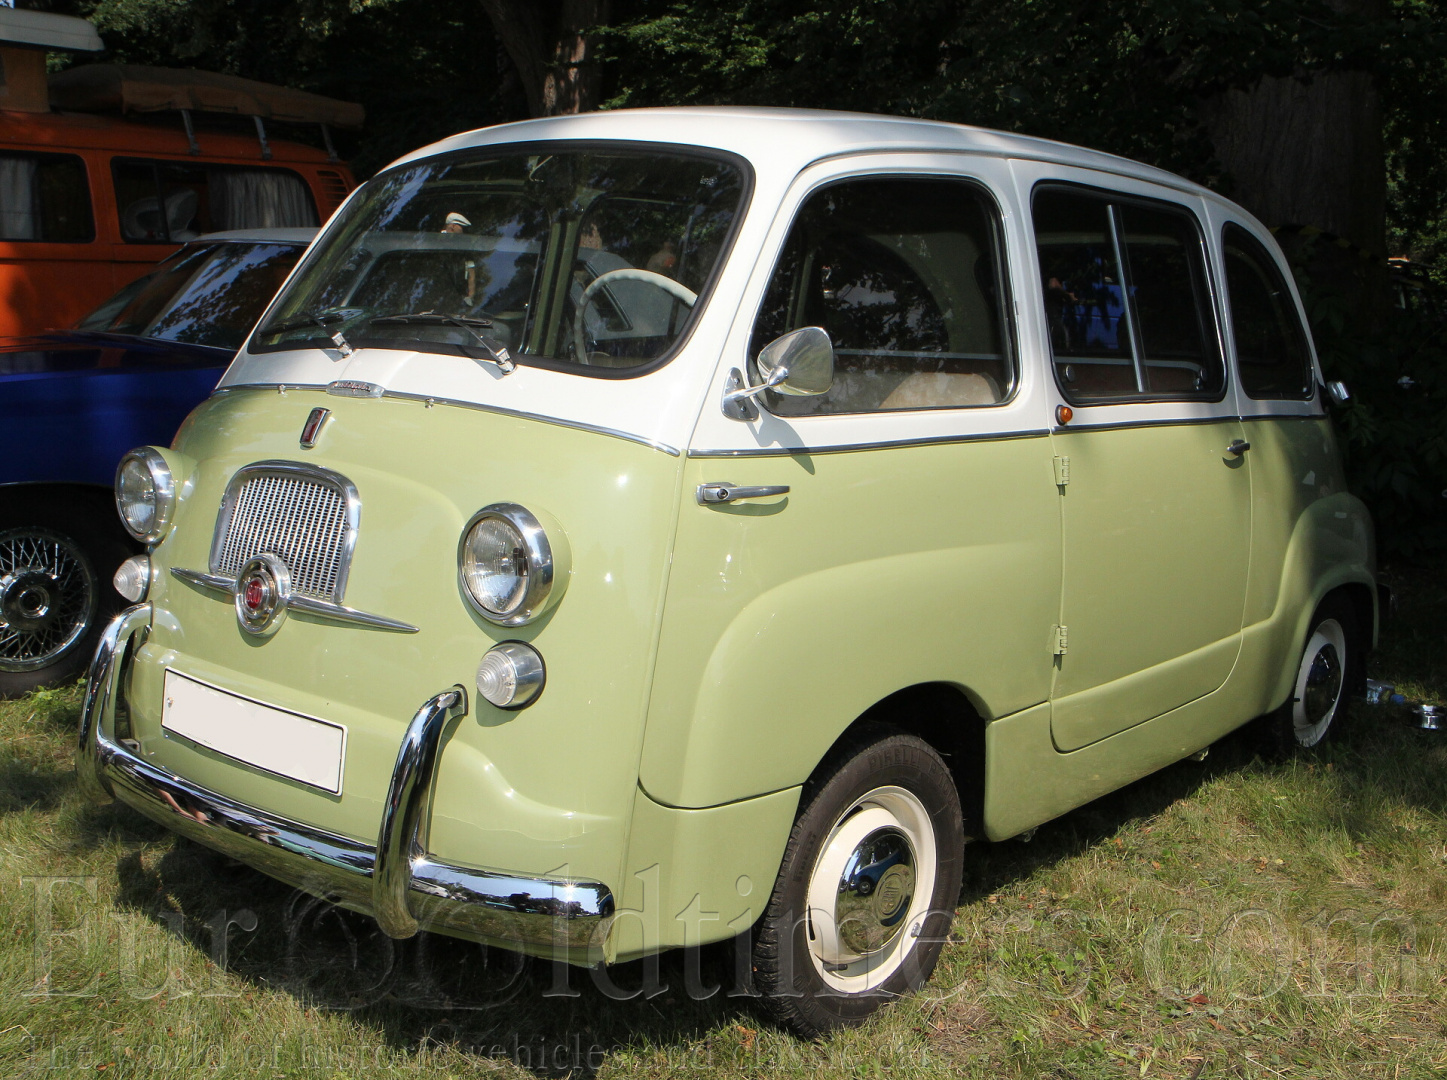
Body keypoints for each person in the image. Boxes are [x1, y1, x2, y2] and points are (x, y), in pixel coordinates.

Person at [441, 211, 476, 306]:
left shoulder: (464, 247)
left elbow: (471, 273)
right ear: (453, 226)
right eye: (462, 228)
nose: (463, 231)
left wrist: (470, 297)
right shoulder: (436, 241)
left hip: (457, 298)